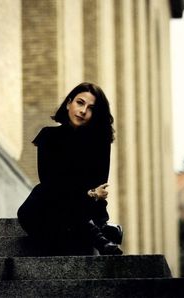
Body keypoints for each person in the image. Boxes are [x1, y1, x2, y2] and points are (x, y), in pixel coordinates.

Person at [17, 82, 123, 256]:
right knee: (43, 192)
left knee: (64, 200)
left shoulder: (99, 142)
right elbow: (49, 181)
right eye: (80, 103)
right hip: (49, 212)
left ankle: (97, 232)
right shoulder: (48, 136)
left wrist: (92, 197)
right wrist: (89, 193)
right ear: (68, 103)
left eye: (91, 108)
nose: (83, 110)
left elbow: (99, 186)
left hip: (84, 211)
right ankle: (100, 236)